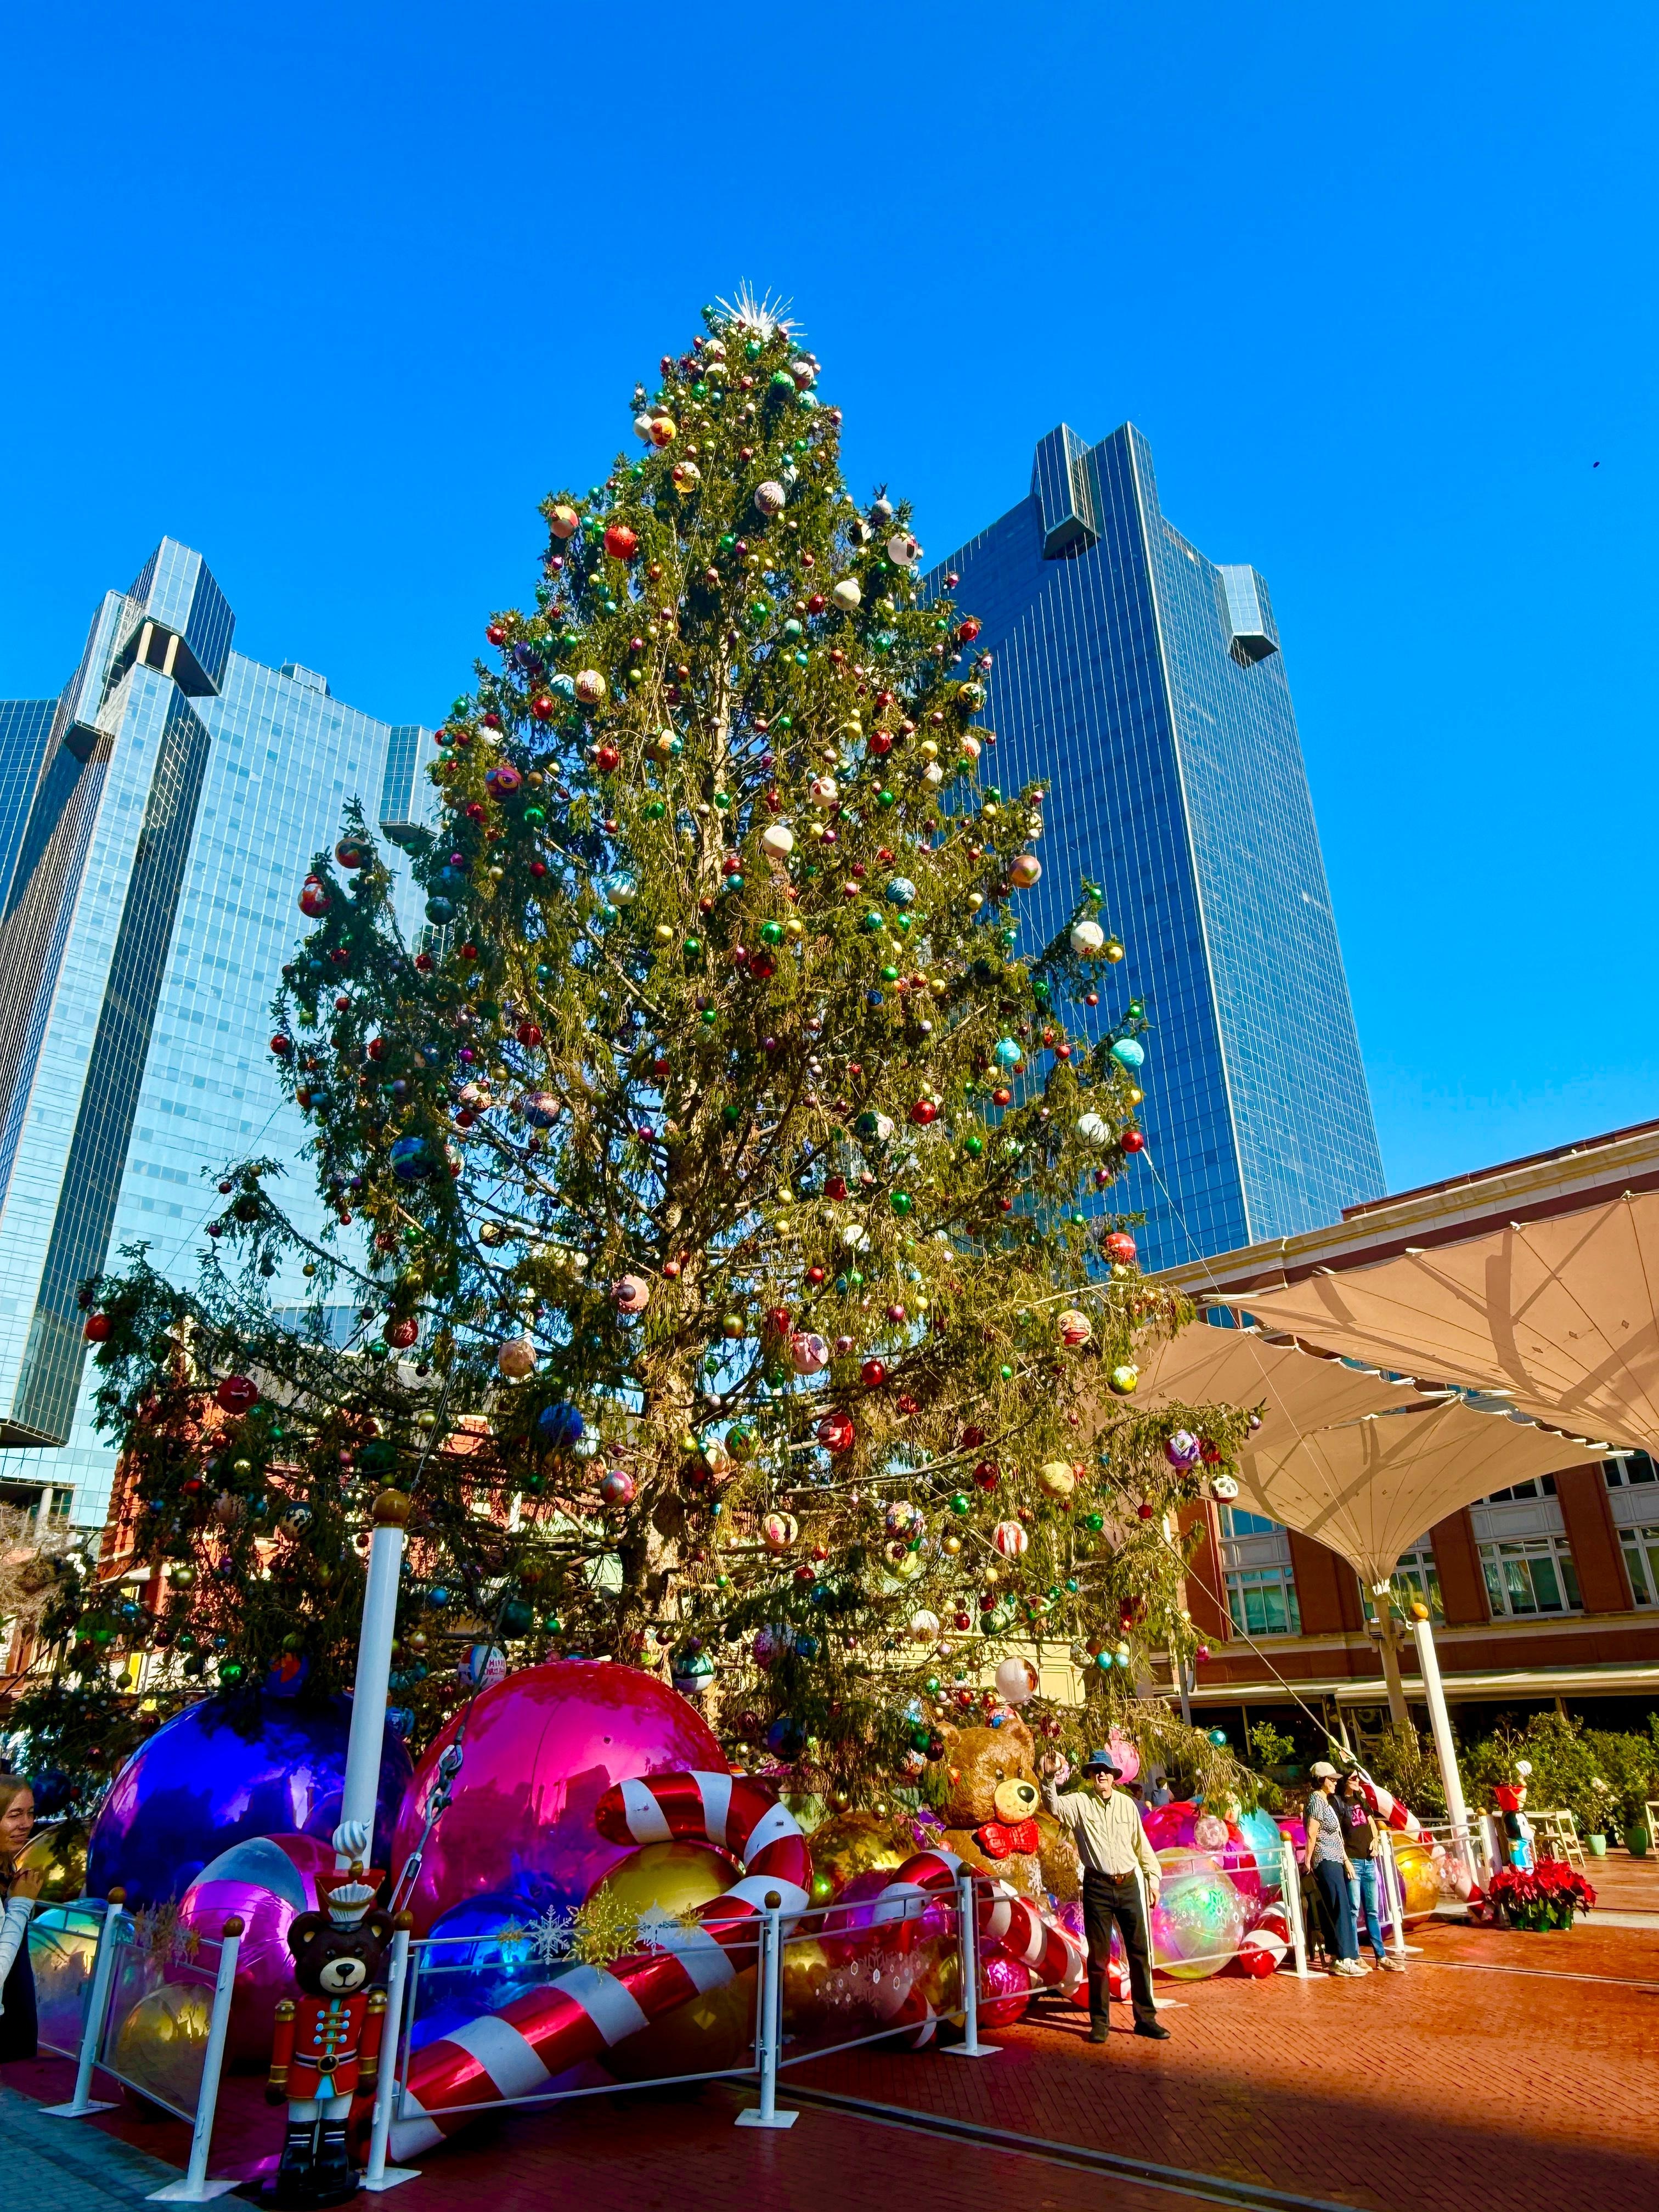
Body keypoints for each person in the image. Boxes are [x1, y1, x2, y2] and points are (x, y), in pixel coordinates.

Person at [1042, 1748, 1168, 2043]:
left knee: (1139, 1953)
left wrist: (1153, 1879)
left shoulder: (1127, 1805)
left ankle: (1146, 2019)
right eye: (1096, 1770)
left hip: (1129, 1885)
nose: (1101, 1774)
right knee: (1098, 1959)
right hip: (1097, 1886)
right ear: (1089, 1776)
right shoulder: (1078, 1803)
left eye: (1106, 1770)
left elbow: (1142, 1845)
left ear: (1114, 1776)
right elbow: (1054, 1807)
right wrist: (1048, 1777)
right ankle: (1100, 2023)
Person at [1304, 1760, 1364, 1977]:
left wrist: (1346, 1860)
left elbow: (1337, 1836)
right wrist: (1308, 1861)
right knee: (1339, 1906)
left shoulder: (1326, 1801)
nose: (1334, 1783)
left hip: (1336, 1859)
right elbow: (1312, 1833)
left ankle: (1345, 1955)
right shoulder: (1316, 1802)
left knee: (1342, 1906)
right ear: (1321, 1781)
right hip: (1326, 1860)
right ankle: (1343, 1956)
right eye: (1331, 1779)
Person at [1339, 1773, 1403, 1972]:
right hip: (1354, 1861)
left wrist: (1375, 1841)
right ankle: (1355, 1955)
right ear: (1345, 1781)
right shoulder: (1339, 1803)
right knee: (1353, 1910)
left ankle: (1381, 1956)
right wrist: (1346, 1861)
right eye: (1353, 1779)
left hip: (1369, 1861)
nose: (1357, 1782)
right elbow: (1338, 1835)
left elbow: (1371, 1823)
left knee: (1373, 1911)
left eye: (1358, 1779)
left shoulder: (1361, 1799)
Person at [0, 1773, 42, 2063]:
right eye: (14, 1814)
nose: (26, 1824)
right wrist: (20, 1906)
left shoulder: (7, 1871)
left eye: (30, 1813)